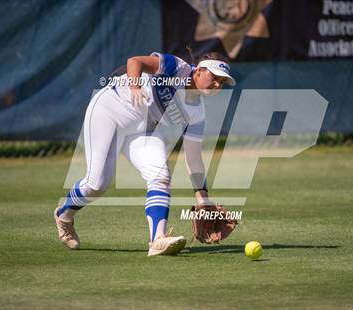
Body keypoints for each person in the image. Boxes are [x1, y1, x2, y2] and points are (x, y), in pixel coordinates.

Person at [54, 51, 236, 256]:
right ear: (200, 70)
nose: (217, 85)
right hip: (110, 111)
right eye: (214, 77)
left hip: (143, 130)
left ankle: (157, 240)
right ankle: (64, 215)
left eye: (222, 82)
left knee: (160, 176)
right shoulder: (178, 68)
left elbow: (193, 158)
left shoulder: (197, 113)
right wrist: (134, 86)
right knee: (97, 184)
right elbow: (134, 61)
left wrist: (202, 198)